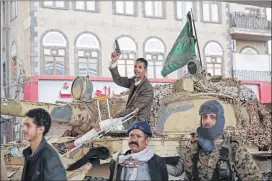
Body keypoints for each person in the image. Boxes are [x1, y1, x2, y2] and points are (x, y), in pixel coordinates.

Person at [54, 51, 154, 153]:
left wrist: (116, 117)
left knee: (100, 127)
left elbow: (133, 110)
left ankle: (68, 146)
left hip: (136, 122)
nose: (136, 69)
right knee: (99, 127)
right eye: (135, 66)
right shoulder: (134, 81)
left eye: (140, 67)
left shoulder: (148, 89)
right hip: (127, 118)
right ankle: (69, 145)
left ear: (145, 70)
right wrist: (114, 62)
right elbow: (118, 80)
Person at [167, 100, 262, 181]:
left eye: (212, 117)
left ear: (220, 119)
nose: (207, 121)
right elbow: (186, 176)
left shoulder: (233, 147)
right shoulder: (193, 149)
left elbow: (254, 178)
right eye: (204, 117)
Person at [21, 108, 67, 181]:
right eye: (23, 125)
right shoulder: (29, 153)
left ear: (40, 129)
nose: (23, 129)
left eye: (28, 125)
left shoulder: (50, 158)